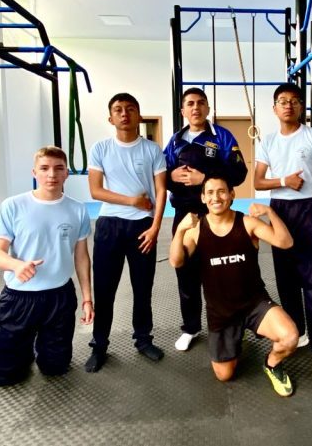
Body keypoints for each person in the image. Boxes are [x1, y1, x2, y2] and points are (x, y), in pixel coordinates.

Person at [169, 175, 299, 397]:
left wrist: (270, 212)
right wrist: (180, 230)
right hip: (221, 313)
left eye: (221, 191)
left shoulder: (247, 223)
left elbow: (285, 242)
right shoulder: (196, 230)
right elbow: (176, 261)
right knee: (224, 375)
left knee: (290, 337)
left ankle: (272, 364)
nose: (216, 197)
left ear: (231, 195)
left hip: (254, 304)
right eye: (210, 193)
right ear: (203, 198)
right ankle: (236, 337)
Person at [252, 83, 312, 377]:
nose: (288, 105)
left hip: (309, 209)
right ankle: (298, 332)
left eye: (294, 101)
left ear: (301, 107)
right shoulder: (268, 141)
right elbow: (257, 181)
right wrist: (283, 181)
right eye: (282, 101)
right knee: (286, 279)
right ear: (274, 108)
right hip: (280, 211)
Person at [0, 145, 94, 386]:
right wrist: (16, 265)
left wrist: (87, 299)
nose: (51, 174)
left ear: (66, 173)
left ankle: (42, 350)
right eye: (44, 168)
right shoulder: (12, 206)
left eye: (58, 168)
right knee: (5, 377)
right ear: (34, 172)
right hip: (19, 298)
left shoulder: (77, 209)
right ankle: (23, 350)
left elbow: (81, 257)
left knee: (56, 368)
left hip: (59, 297)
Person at [85, 93, 168, 372]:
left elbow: (161, 190)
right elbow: (95, 190)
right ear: (110, 118)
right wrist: (131, 200)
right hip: (109, 225)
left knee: (143, 288)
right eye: (118, 110)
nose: (124, 114)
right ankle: (99, 345)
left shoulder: (152, 150)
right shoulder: (101, 148)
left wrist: (155, 227)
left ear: (139, 116)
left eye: (130, 109)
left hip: (143, 226)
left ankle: (143, 340)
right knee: (104, 289)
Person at [164, 87, 248, 351]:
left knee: (225, 270)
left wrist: (206, 178)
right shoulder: (175, 141)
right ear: (183, 110)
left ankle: (233, 323)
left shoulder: (222, 136)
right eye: (190, 103)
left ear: (208, 108)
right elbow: (161, 174)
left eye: (201, 103)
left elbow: (239, 172)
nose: (196, 108)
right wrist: (170, 177)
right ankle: (191, 328)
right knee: (185, 272)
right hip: (185, 216)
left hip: (216, 214)